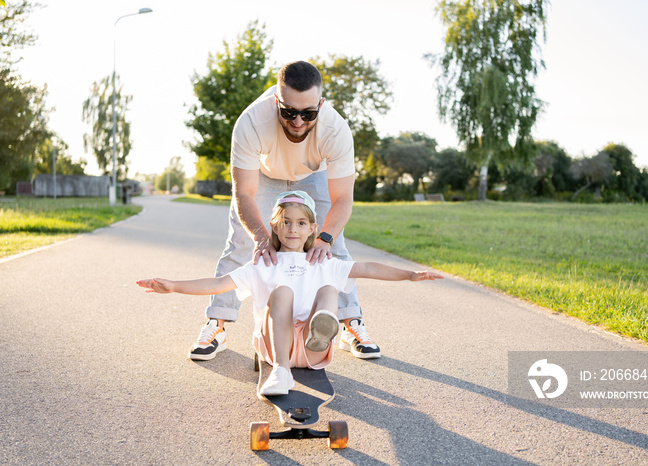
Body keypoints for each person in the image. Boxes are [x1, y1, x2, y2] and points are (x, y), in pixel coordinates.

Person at [139, 192, 443, 395]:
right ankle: (281, 373)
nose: (293, 229)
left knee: (328, 288)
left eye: (300, 223)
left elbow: (368, 268)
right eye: (286, 222)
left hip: (313, 347)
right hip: (276, 348)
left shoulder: (323, 261)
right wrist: (174, 286)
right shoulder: (264, 263)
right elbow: (218, 285)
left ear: (313, 228)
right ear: (275, 224)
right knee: (281, 291)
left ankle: (322, 325)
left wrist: (410, 275)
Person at [189, 60, 382, 362]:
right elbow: (244, 192)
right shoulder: (252, 122)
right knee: (242, 243)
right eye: (288, 112)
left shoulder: (335, 129)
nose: (297, 121)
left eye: (308, 114)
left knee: (335, 248)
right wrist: (261, 236)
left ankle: (350, 324)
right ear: (276, 101)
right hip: (264, 174)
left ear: (321, 104)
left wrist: (325, 239)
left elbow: (343, 197)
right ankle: (217, 324)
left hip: (312, 173)